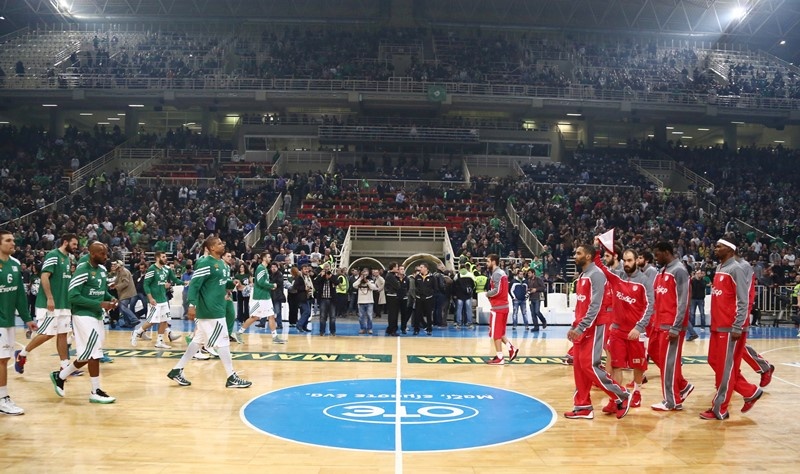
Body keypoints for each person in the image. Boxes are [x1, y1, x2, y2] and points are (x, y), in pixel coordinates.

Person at [167, 236, 251, 388]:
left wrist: (234, 284)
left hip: (218, 308)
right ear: (211, 248)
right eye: (219, 243)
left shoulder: (223, 265)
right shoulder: (205, 263)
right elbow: (194, 285)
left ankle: (177, 370)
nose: (222, 244)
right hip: (210, 311)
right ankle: (231, 376)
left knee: (197, 341)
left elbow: (223, 283)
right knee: (224, 342)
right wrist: (191, 305)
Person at [564, 244, 631, 419]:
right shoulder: (583, 275)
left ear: (588, 256)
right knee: (579, 367)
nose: (575, 255)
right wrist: (574, 326)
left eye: (578, 253)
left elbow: (595, 306)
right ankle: (583, 405)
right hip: (582, 327)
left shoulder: (597, 275)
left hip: (594, 327)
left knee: (589, 366)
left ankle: (622, 395)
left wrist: (581, 327)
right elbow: (581, 305)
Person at [700, 238, 764, 420]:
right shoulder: (720, 268)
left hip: (730, 328)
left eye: (719, 246)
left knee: (725, 370)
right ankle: (749, 391)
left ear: (729, 249)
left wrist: (737, 326)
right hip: (717, 326)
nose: (715, 248)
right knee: (714, 361)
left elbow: (743, 301)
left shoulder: (736, 269)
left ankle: (719, 408)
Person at [50, 242, 117, 404]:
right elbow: (72, 296)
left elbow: (102, 291)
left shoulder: (101, 270)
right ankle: (95, 391)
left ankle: (60, 376)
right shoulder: (82, 270)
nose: (106, 257)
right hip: (83, 315)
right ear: (93, 254)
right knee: (94, 353)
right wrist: (100, 304)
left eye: (106, 253)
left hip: (96, 315)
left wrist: (110, 298)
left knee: (87, 354)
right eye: (102, 254)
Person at [593, 246, 654, 412]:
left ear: (636, 261)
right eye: (625, 261)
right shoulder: (617, 277)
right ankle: (617, 398)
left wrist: (639, 327)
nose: (626, 264)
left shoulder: (644, 281)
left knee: (638, 366)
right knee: (616, 365)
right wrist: (598, 247)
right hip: (618, 331)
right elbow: (599, 265)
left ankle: (637, 392)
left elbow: (650, 306)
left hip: (636, 332)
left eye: (630, 260)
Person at [14, 233, 77, 376]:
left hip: (64, 304)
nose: (76, 247)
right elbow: (44, 276)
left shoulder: (68, 259)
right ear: (65, 242)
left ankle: (64, 366)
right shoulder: (54, 255)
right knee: (47, 334)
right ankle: (22, 354)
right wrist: (49, 298)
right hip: (49, 304)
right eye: (74, 244)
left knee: (62, 334)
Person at [650, 241, 694, 412]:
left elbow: (683, 301)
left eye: (658, 254)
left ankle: (672, 401)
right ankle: (681, 389)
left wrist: (676, 327)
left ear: (667, 252)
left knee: (669, 364)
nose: (656, 257)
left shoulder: (679, 271)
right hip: (661, 324)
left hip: (671, 326)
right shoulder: (663, 271)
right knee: (666, 362)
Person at [0, 230, 37, 415]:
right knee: (1, 360)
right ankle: (2, 398)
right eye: (8, 240)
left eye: (13, 240)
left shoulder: (15, 265)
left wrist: (27, 319)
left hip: (8, 321)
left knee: (3, 358)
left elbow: (19, 297)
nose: (13, 243)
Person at [130, 251, 183, 349]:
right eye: (163, 257)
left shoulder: (166, 269)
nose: (166, 258)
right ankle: (137, 332)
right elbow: (146, 284)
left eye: (165, 256)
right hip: (155, 300)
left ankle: (159, 341)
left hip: (163, 299)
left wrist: (185, 282)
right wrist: (150, 298)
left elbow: (174, 280)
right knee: (152, 321)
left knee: (164, 320)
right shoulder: (152, 269)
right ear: (157, 258)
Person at [238, 253, 283, 343]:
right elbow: (260, 282)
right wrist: (271, 285)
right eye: (269, 256)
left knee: (271, 316)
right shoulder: (260, 268)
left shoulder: (265, 269)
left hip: (266, 296)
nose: (270, 258)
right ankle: (239, 333)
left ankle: (275, 337)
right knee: (255, 317)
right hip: (259, 297)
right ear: (264, 258)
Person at [484, 253, 519, 365]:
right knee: (500, 331)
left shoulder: (496, 274)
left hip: (498, 308)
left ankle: (500, 357)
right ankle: (511, 348)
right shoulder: (502, 273)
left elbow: (497, 291)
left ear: (494, 262)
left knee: (495, 334)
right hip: (504, 307)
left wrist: (487, 294)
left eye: (488, 261)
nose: (487, 263)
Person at [110, 260, 139, 328]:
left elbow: (125, 283)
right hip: (125, 292)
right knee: (122, 307)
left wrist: (116, 286)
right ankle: (127, 322)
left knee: (123, 307)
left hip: (127, 292)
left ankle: (134, 319)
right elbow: (117, 280)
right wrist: (112, 284)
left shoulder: (124, 272)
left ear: (119, 266)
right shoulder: (120, 272)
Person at [413, 263, 435, 335]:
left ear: (426, 268)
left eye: (421, 267)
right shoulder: (417, 277)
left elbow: (434, 287)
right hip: (419, 298)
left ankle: (429, 329)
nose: (420, 269)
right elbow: (416, 286)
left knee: (429, 314)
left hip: (428, 298)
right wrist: (417, 294)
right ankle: (416, 329)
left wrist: (430, 294)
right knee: (417, 314)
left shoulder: (432, 277)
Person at [315, 264, 337, 336]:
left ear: (330, 268)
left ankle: (332, 331)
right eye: (325, 268)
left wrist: (330, 277)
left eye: (328, 268)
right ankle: (322, 331)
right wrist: (322, 276)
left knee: (332, 317)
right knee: (322, 316)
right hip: (323, 299)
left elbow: (337, 282)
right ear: (323, 268)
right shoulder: (321, 276)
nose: (327, 269)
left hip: (332, 299)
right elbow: (316, 283)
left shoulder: (333, 276)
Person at [355, 268, 378, 334]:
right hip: (361, 301)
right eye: (363, 273)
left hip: (369, 301)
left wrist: (367, 281)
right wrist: (360, 279)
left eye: (366, 273)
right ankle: (362, 328)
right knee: (361, 316)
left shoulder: (371, 280)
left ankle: (369, 328)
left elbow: (374, 288)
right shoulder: (359, 281)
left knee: (369, 316)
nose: (365, 275)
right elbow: (354, 285)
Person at [384, 262, 401, 336]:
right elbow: (397, 286)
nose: (398, 268)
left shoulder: (390, 275)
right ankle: (392, 329)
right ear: (393, 268)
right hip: (392, 296)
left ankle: (390, 329)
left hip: (391, 296)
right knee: (393, 314)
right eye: (397, 267)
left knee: (392, 313)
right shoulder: (391, 276)